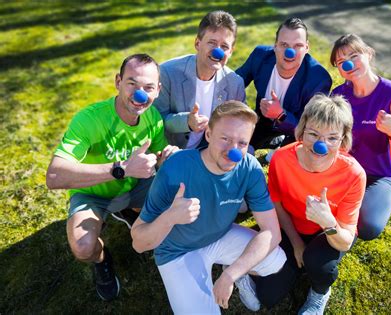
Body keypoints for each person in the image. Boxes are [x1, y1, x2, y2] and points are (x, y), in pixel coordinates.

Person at [131, 101, 287, 314]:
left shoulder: (249, 168)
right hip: (177, 251)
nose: (233, 151)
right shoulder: (176, 168)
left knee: (275, 261)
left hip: (219, 237)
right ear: (208, 135)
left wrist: (232, 273)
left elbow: (272, 233)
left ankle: (232, 270)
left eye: (242, 143)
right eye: (225, 139)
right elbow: (139, 243)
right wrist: (170, 217)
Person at [46, 54, 178, 301]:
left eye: (148, 87)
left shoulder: (153, 119)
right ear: (118, 82)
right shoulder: (90, 119)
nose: (140, 94)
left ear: (158, 90)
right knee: (83, 248)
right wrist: (122, 168)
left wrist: (165, 158)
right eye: (132, 84)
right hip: (94, 195)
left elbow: (158, 155)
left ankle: (132, 211)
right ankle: (102, 259)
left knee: (179, 194)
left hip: (136, 185)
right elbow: (54, 176)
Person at [251, 94, 366, 314]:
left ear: (343, 139)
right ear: (302, 131)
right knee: (267, 295)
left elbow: (344, 241)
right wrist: (295, 243)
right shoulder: (282, 158)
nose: (321, 145)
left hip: (329, 233)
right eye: (313, 134)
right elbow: (276, 202)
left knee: (317, 263)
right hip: (292, 227)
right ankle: (295, 263)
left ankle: (319, 293)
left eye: (332, 138)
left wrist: (328, 222)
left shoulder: (353, 174)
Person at [330, 34, 391, 241]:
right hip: (345, 171)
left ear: (369, 54)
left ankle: (344, 233)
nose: (348, 63)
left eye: (354, 55)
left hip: (381, 176)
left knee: (368, 226)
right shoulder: (338, 96)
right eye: (341, 61)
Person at [236, 17, 332, 151]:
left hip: (295, 130)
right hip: (261, 120)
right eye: (284, 45)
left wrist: (281, 115)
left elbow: (312, 129)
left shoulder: (318, 79)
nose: (290, 52)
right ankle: (272, 141)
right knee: (237, 143)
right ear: (275, 46)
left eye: (298, 46)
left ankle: (279, 144)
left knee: (285, 158)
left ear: (307, 47)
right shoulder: (260, 57)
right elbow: (234, 82)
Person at [154, 10, 245, 149]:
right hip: (170, 152)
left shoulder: (235, 83)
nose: (217, 51)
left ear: (231, 51)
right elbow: (155, 119)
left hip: (210, 154)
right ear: (197, 43)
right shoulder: (167, 72)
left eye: (224, 46)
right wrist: (187, 122)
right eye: (212, 43)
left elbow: (240, 125)